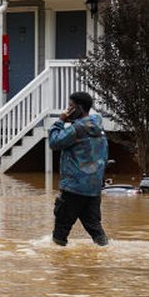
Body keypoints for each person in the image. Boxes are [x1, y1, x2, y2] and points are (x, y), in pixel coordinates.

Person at [47, 91, 109, 247]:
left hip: (74, 188)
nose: (67, 110)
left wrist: (60, 122)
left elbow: (54, 142)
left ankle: (59, 267)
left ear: (79, 108)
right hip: (93, 188)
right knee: (95, 229)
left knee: (60, 232)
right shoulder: (98, 126)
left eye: (70, 106)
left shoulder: (77, 129)